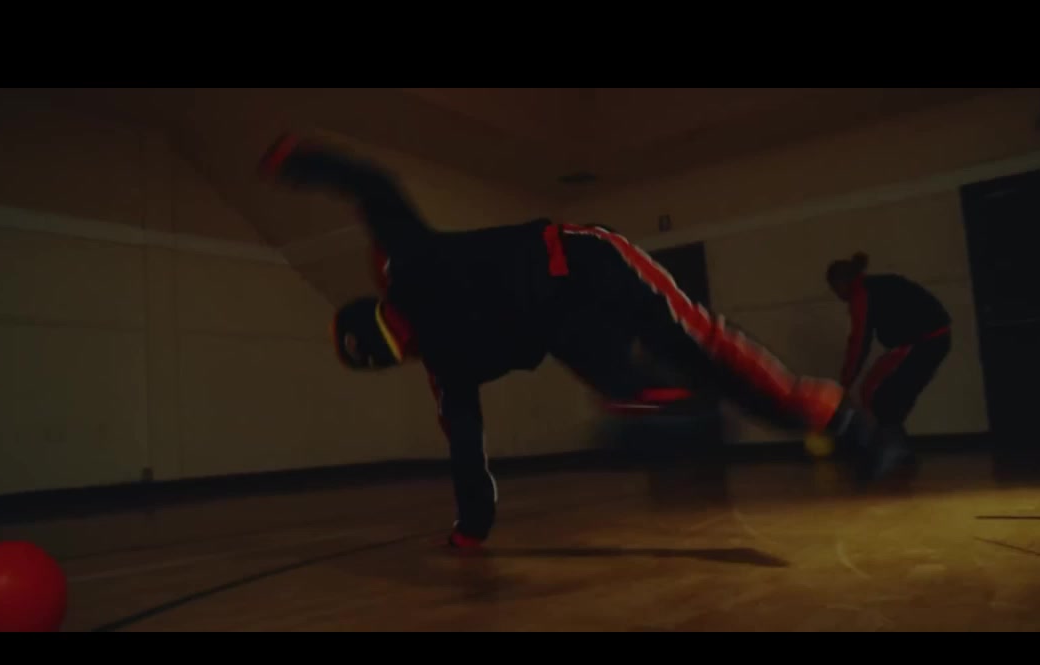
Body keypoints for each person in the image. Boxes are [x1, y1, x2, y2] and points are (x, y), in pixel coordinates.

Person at [259, 133, 907, 549]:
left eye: (394, 332)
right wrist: (472, 528)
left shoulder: (411, 272)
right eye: (397, 343)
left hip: (587, 262)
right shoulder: (444, 359)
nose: (406, 337)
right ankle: (722, 416)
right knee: (652, 386)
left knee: (704, 348)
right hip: (569, 323)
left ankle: (845, 433)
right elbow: (466, 445)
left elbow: (372, 188)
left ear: (385, 314)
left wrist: (301, 161)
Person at [827, 252, 951, 445]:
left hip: (923, 341)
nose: (837, 295)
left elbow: (859, 343)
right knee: (888, 396)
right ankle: (894, 446)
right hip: (934, 338)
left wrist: (845, 383)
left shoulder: (861, 294)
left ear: (840, 283)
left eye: (834, 289)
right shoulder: (877, 285)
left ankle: (889, 448)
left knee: (875, 392)